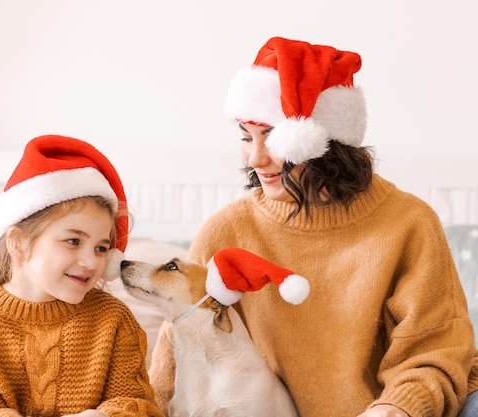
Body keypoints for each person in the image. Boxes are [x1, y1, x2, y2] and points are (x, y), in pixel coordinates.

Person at [148, 37, 478, 417]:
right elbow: (179, 357)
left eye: (270, 135)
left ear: (326, 142)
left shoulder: (409, 224)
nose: (255, 157)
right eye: (245, 136)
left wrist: (396, 409)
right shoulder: (223, 233)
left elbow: (437, 351)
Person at [0, 134, 164, 417]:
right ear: (18, 243)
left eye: (102, 248)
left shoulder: (113, 319)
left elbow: (137, 404)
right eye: (73, 241)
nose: (91, 261)